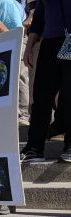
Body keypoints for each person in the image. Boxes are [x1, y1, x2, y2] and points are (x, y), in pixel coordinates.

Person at [21, 0, 71, 163]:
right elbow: (40, 15)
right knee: (41, 96)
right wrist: (29, 46)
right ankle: (34, 148)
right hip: (50, 41)